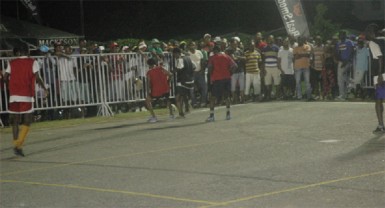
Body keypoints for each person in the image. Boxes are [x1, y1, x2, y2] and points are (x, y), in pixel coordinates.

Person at [3, 44, 48, 156]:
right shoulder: (32, 62)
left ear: (18, 52)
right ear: (28, 52)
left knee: (15, 121)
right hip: (26, 94)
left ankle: (15, 143)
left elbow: (5, 77)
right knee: (27, 120)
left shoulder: (12, 63)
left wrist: (11, 86)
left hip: (13, 95)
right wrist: (44, 88)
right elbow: (37, 77)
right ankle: (18, 145)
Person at [206, 45, 237, 122]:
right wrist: (230, 73)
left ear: (214, 51)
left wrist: (211, 74)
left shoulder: (212, 58)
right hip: (227, 78)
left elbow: (210, 68)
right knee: (227, 96)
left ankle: (212, 116)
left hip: (217, 79)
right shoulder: (227, 56)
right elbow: (235, 66)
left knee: (213, 97)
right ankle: (228, 114)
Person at [365, 24, 384, 133]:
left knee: (379, 100)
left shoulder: (373, 43)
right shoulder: (383, 40)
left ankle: (381, 125)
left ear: (373, 32)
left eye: (368, 30)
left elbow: (380, 58)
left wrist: (380, 74)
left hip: (380, 75)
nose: (366, 32)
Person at [145, 58, 174, 123]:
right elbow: (171, 74)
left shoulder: (149, 72)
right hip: (165, 88)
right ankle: (171, 114)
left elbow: (148, 83)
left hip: (156, 90)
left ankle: (154, 116)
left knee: (147, 101)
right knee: (167, 100)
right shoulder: (161, 68)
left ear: (149, 65)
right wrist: (168, 81)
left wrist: (148, 93)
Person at [172, 47, 195, 118]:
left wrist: (172, 71)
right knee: (184, 95)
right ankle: (187, 108)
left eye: (174, 54)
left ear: (177, 53)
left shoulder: (180, 59)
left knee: (178, 98)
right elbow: (194, 67)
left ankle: (181, 113)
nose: (174, 56)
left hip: (182, 81)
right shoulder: (188, 58)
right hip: (190, 80)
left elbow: (179, 69)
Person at [186, 41, 207, 108]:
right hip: (192, 74)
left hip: (200, 72)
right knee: (191, 89)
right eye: (191, 45)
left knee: (204, 87)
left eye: (193, 45)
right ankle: (194, 103)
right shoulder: (187, 54)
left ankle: (203, 102)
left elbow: (202, 61)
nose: (192, 46)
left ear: (195, 46)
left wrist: (202, 70)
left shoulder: (199, 52)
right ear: (188, 46)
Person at [335, 30, 355, 100]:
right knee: (342, 78)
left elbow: (352, 51)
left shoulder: (349, 42)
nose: (340, 36)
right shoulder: (338, 43)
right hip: (341, 62)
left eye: (341, 35)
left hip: (348, 62)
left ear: (344, 35)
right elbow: (337, 53)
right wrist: (341, 60)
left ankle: (342, 94)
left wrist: (347, 61)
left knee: (341, 78)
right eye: (339, 35)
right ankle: (344, 94)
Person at [261, 35, 281, 100]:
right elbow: (263, 59)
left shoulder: (277, 48)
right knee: (268, 83)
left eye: (271, 39)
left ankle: (277, 96)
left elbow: (279, 58)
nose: (270, 40)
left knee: (277, 82)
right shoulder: (264, 48)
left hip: (275, 67)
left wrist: (279, 67)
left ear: (273, 40)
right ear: (267, 40)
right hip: (267, 68)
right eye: (269, 39)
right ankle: (269, 96)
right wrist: (263, 69)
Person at [226, 38, 246, 104]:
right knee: (233, 86)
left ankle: (242, 99)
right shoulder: (228, 51)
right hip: (233, 71)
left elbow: (245, 58)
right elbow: (232, 59)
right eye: (234, 44)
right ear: (231, 44)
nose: (235, 45)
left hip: (241, 70)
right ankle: (234, 99)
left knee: (242, 86)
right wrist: (238, 58)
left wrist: (238, 58)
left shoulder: (240, 50)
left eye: (236, 44)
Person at [293, 36, 312, 101]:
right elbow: (295, 57)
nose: (299, 41)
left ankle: (309, 96)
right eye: (298, 40)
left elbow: (308, 54)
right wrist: (304, 54)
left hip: (306, 66)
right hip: (297, 67)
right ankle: (299, 96)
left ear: (303, 40)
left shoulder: (307, 46)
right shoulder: (295, 48)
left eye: (301, 40)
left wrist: (300, 55)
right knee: (298, 82)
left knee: (307, 82)